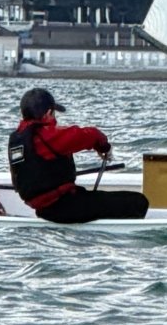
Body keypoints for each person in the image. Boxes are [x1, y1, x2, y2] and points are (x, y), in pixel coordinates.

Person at [8, 87, 149, 224]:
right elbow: (93, 134)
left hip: (43, 209)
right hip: (64, 208)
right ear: (48, 113)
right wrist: (104, 148)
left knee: (94, 199)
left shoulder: (16, 140)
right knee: (139, 202)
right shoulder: (49, 136)